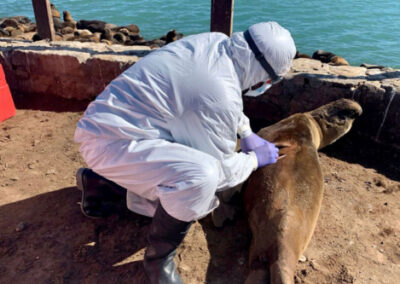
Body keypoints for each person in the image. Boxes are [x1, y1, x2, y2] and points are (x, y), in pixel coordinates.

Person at [74, 21, 296, 284]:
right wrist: (253, 160)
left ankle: (99, 184)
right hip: (111, 144)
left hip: (111, 124)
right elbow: (222, 169)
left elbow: (221, 95)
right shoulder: (219, 91)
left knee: (186, 163)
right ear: (263, 74)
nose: (267, 85)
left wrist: (246, 133)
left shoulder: (216, 43)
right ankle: (158, 261)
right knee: (200, 178)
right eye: (271, 80)